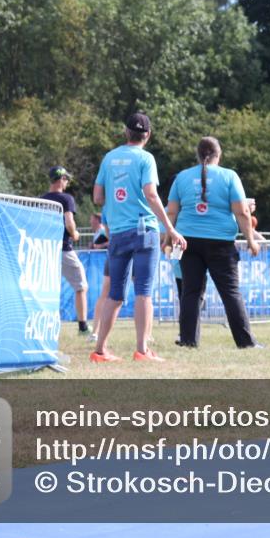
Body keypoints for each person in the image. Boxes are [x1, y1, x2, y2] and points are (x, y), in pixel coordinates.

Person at [92, 112, 186, 363]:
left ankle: (100, 350)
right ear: (148, 135)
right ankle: (142, 350)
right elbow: (151, 194)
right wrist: (170, 228)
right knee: (144, 290)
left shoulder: (109, 158)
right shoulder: (146, 159)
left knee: (115, 294)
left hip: (118, 233)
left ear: (126, 133)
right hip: (144, 230)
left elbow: (98, 197)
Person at [167, 136, 261, 349]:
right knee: (230, 293)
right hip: (220, 243)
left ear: (197, 155)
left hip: (187, 241)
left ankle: (188, 341)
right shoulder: (229, 176)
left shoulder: (181, 177)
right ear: (219, 155)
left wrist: (168, 239)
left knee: (190, 292)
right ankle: (245, 343)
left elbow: (172, 211)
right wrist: (251, 241)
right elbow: (243, 212)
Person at [41, 166, 89, 335]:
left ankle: (44, 325)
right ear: (61, 180)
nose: (67, 182)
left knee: (47, 290)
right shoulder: (66, 199)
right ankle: (83, 327)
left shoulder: (41, 199)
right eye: (66, 179)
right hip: (63, 249)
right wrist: (75, 233)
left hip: (44, 249)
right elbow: (69, 222)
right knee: (81, 286)